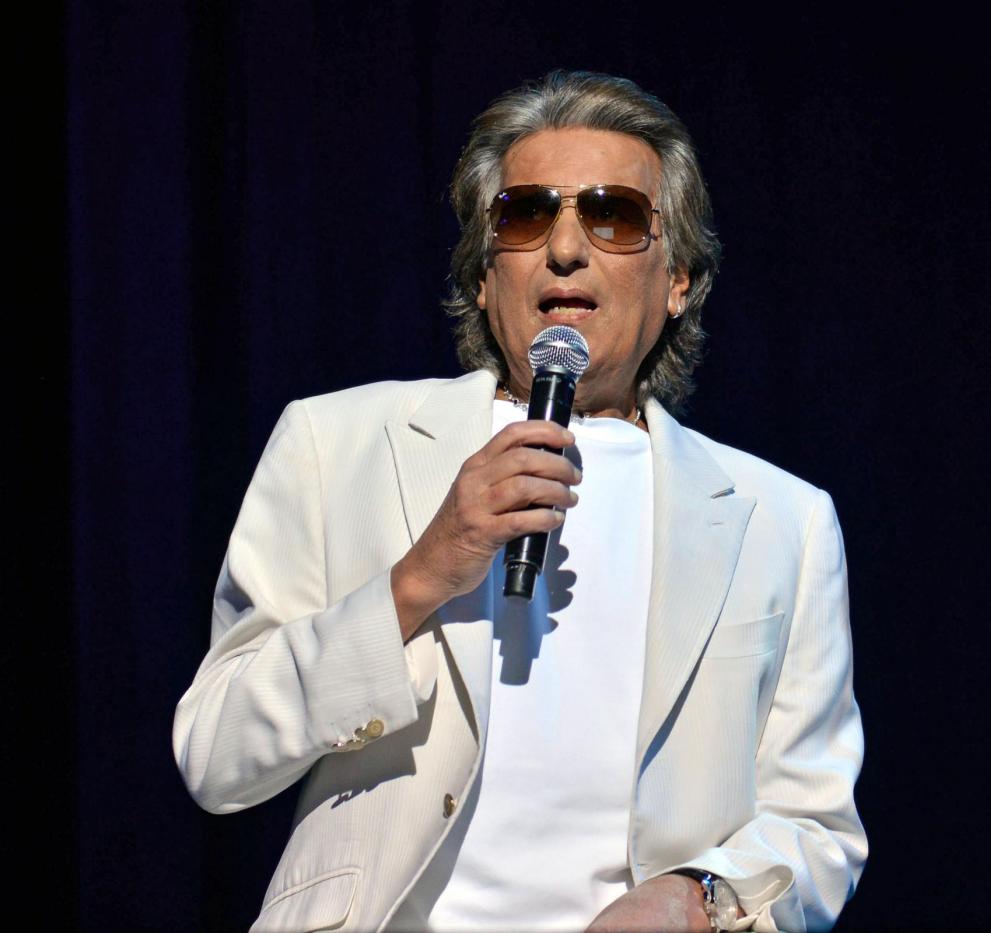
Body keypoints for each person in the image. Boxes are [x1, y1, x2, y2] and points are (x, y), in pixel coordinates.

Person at [173, 70, 866, 932]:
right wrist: (420, 575)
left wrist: (697, 897)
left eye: (614, 216)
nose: (565, 248)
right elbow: (216, 753)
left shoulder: (781, 519)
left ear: (678, 279)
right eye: (527, 215)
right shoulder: (336, 443)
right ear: (482, 274)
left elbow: (817, 826)